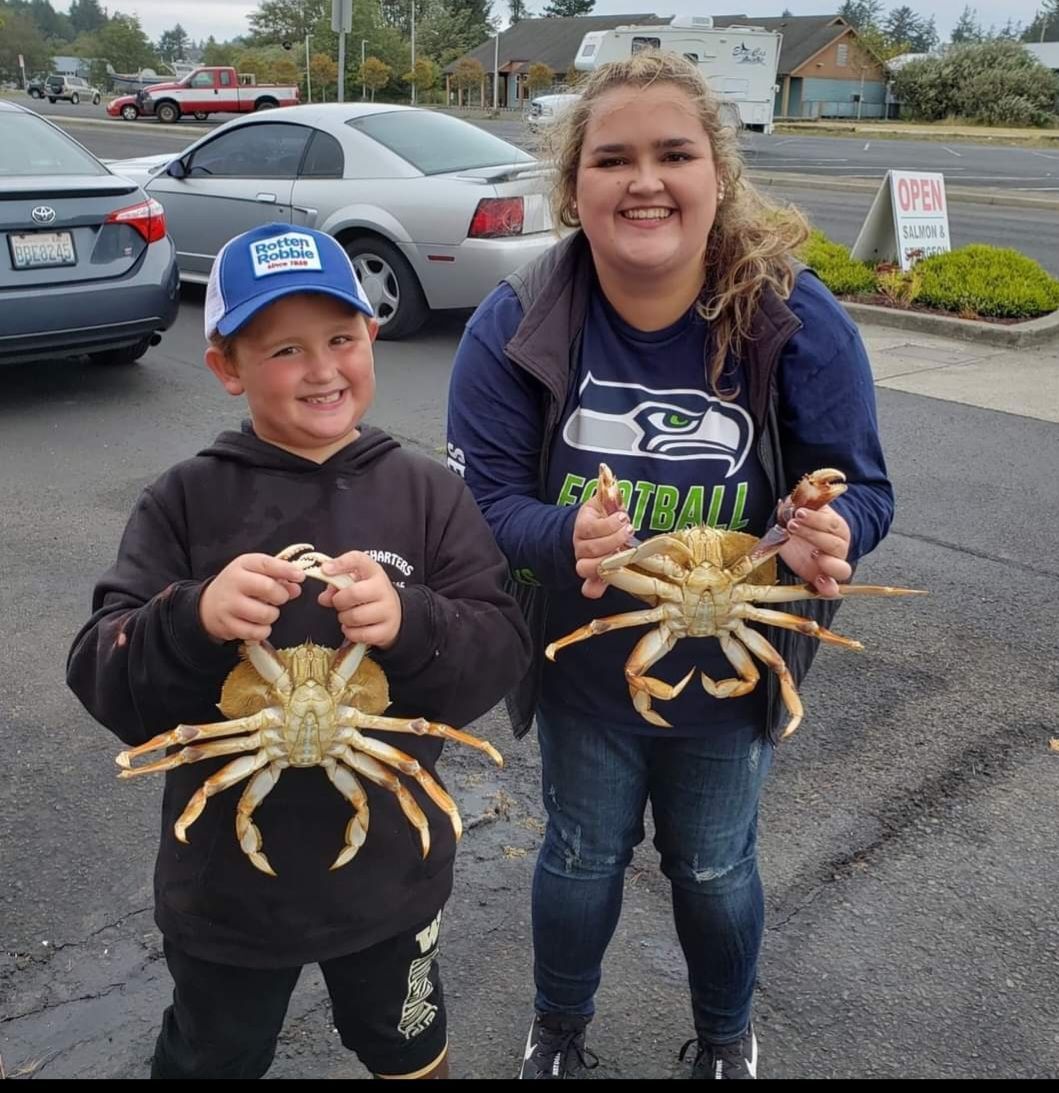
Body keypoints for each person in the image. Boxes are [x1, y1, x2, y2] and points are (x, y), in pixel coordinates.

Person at [446, 52, 894, 1080]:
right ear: (573, 188)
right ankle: (557, 1031)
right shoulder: (515, 325)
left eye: (673, 153)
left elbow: (862, 487)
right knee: (578, 854)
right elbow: (479, 505)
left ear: (716, 176)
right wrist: (564, 535)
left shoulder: (792, 315)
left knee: (714, 863)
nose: (644, 178)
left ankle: (728, 1036)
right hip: (584, 669)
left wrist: (835, 532)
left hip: (734, 678)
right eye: (612, 158)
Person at [67, 223, 531, 1080]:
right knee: (212, 1053)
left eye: (341, 338)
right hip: (225, 895)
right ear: (227, 367)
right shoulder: (183, 501)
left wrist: (413, 622)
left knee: (407, 1045)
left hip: (393, 876)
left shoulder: (429, 494)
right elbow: (103, 672)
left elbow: (500, 648)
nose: (322, 369)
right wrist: (191, 617)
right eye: (285, 348)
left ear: (371, 338)